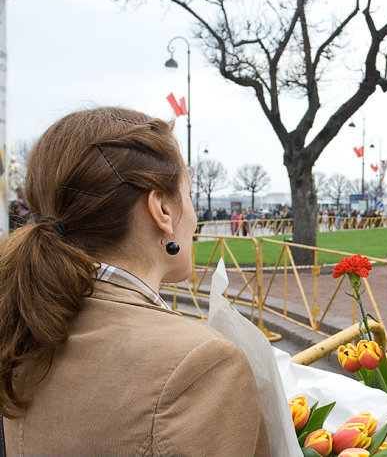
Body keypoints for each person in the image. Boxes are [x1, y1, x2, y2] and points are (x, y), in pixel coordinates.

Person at [0, 107, 270, 455]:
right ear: (161, 209)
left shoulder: (25, 325)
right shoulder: (201, 363)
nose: (194, 214)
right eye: (187, 194)